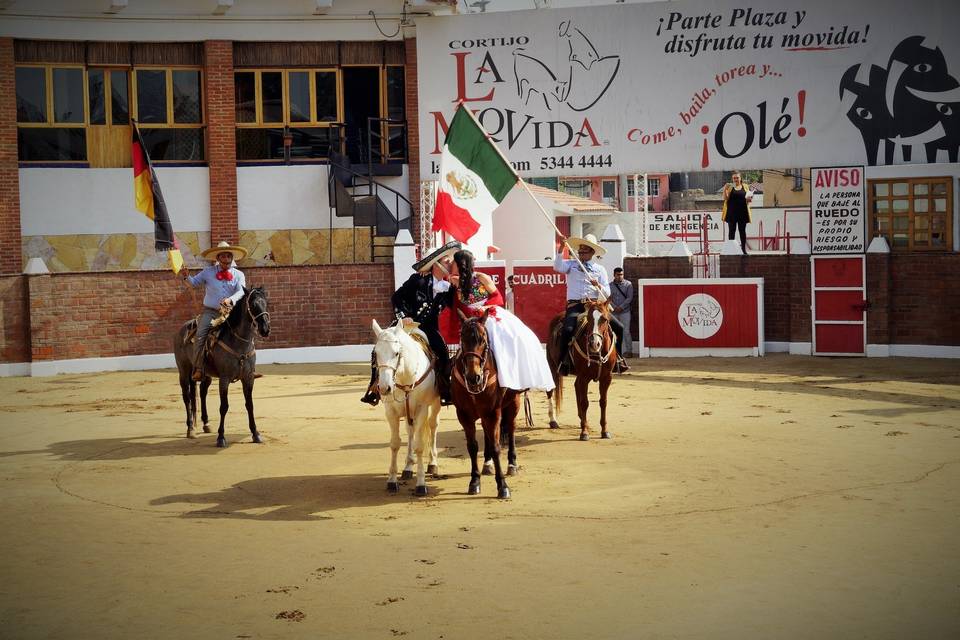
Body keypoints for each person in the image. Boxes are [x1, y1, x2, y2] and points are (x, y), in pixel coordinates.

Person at [360, 241, 461, 406]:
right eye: (446, 261)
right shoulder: (417, 280)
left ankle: (444, 389)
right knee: (378, 349)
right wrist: (403, 316)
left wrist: (459, 287)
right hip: (404, 324)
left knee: (442, 352)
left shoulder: (448, 287)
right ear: (436, 264)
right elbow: (396, 298)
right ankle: (374, 389)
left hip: (428, 328)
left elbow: (457, 305)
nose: (449, 264)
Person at [449, 250, 554, 392]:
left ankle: (509, 375)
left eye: (453, 262)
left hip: (488, 315)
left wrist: (484, 308)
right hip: (471, 320)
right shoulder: (454, 282)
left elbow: (497, 297)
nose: (450, 264)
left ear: (461, 263)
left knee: (508, 338)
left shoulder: (481, 277)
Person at [553, 233, 629, 374]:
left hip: (595, 306)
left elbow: (607, 292)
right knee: (568, 330)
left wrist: (598, 286)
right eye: (580, 250)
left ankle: (619, 358)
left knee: (619, 327)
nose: (581, 252)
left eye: (584, 250)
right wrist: (560, 249)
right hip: (575, 305)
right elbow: (557, 267)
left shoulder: (600, 269)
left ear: (592, 252)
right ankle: (563, 361)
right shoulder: (571, 264)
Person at [179, 240, 249, 382]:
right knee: (200, 335)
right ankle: (198, 368)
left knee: (248, 331)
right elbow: (193, 283)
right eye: (223, 256)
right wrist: (186, 276)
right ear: (217, 258)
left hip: (231, 312)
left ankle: (249, 368)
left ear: (232, 258)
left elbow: (241, 292)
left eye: (229, 256)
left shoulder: (239, 275)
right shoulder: (207, 272)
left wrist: (230, 300)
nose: (226, 259)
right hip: (211, 312)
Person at [722, 170, 753, 254]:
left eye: (737, 177)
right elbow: (725, 198)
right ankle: (731, 249)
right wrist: (725, 189)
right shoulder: (730, 187)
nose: (736, 179)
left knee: (742, 231)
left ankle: (743, 249)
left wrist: (749, 199)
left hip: (743, 213)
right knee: (732, 231)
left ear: (740, 178)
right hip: (731, 213)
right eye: (734, 178)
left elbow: (749, 199)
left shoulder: (745, 186)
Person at [610, 267, 634, 358]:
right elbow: (608, 298)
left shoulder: (628, 284)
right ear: (614, 275)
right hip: (613, 312)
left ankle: (629, 351)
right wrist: (615, 307)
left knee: (626, 331)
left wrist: (621, 307)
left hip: (625, 312)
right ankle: (614, 351)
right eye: (618, 275)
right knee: (613, 331)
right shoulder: (609, 285)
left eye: (621, 275)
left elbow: (629, 298)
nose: (620, 276)